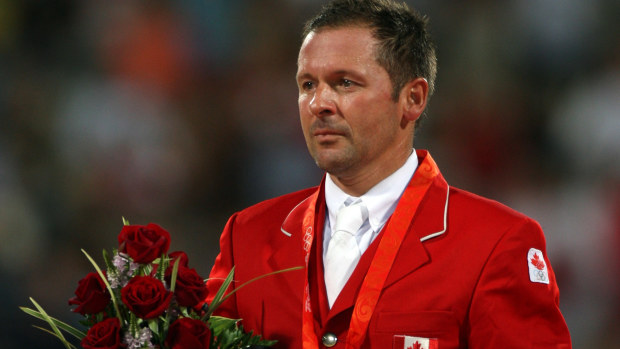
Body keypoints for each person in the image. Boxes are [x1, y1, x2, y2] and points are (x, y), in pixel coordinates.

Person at [206, 0, 572, 348]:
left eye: (345, 82)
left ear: (413, 98)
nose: (319, 104)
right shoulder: (247, 237)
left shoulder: (495, 244)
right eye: (308, 85)